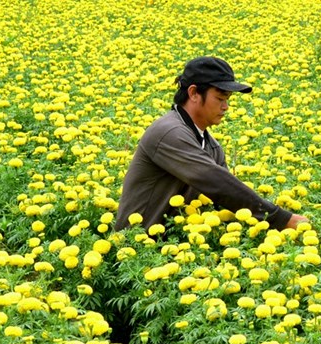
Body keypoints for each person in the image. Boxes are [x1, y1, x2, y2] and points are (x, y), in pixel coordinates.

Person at [114, 56, 309, 232]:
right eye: (220, 98)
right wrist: (280, 219)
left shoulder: (211, 145)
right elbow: (217, 183)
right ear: (193, 93)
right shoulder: (169, 133)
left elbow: (225, 199)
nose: (225, 107)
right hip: (139, 248)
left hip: (182, 242)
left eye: (227, 100)